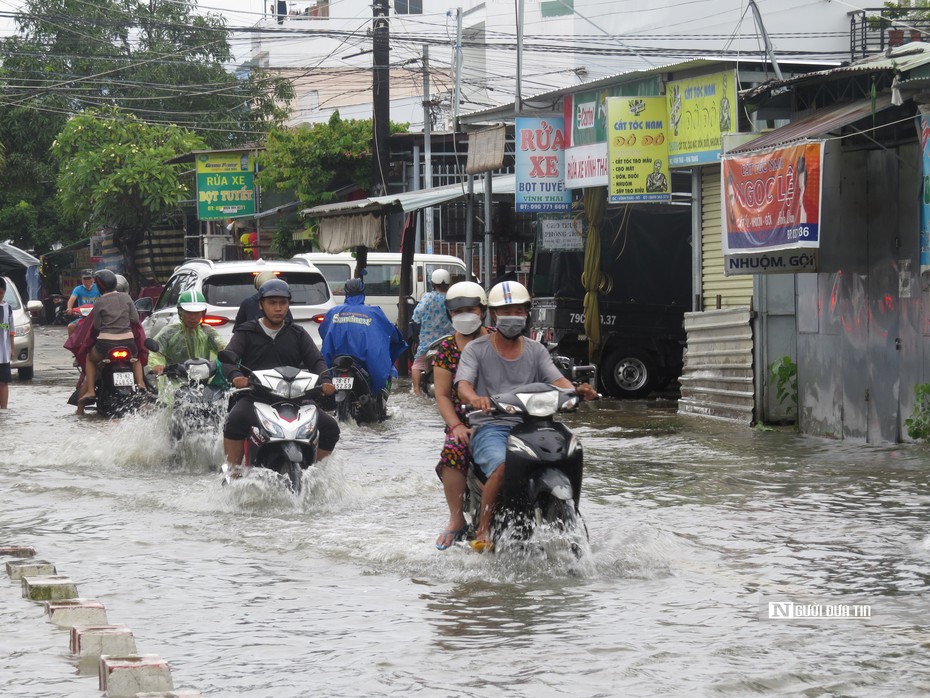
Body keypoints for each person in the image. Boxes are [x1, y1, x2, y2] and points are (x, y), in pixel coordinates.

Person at [455, 280, 598, 551]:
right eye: (506, 310)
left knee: (570, 449)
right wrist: (476, 398)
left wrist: (577, 391)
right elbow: (463, 384)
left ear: (527, 313)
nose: (513, 316)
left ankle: (571, 515)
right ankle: (484, 531)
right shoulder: (477, 349)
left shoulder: (536, 350)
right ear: (494, 314)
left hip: (535, 425)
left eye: (519, 310)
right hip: (492, 426)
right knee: (503, 464)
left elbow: (558, 381)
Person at [221, 279, 339, 469]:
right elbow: (228, 359)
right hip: (256, 397)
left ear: (288, 305)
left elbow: (316, 361)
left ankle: (317, 473)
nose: (278, 308)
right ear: (261, 305)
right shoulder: (246, 332)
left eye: (283, 303)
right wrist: (236, 376)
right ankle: (232, 473)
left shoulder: (298, 333)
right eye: (272, 303)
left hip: (297, 398)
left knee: (330, 427)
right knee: (234, 420)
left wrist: (325, 380)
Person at [432, 281, 489, 550]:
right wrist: (455, 425)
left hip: (503, 417)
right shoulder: (446, 350)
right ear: (449, 315)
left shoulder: (498, 340)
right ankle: (456, 518)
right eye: (458, 311)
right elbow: (442, 395)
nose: (465, 315)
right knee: (454, 449)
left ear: (483, 311)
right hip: (464, 422)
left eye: (471, 309)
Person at [319, 278, 407, 396]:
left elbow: (323, 331)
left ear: (346, 292)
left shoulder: (333, 312)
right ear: (363, 292)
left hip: (336, 361)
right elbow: (391, 331)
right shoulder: (374, 312)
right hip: (365, 362)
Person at [77, 269, 146, 407]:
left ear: (100, 286)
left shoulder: (99, 302)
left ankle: (91, 391)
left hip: (105, 344)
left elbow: (96, 325)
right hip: (128, 343)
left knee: (90, 359)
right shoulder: (127, 298)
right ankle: (141, 384)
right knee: (136, 358)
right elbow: (135, 318)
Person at [148, 290, 228, 394]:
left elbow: (224, 347)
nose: (193, 317)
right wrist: (157, 365)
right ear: (180, 312)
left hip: (202, 380)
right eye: (189, 312)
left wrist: (230, 356)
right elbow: (156, 352)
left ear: (202, 313)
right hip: (174, 383)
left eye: (196, 313)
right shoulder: (169, 332)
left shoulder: (208, 331)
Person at [410, 269, 455, 396]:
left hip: (428, 343)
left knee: (417, 364)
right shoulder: (452, 298)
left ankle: (417, 391)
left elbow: (416, 315)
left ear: (433, 283)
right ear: (448, 283)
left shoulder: (428, 297)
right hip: (449, 341)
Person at [66, 269, 101, 335]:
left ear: (93, 279)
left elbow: (105, 298)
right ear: (82, 280)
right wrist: (69, 308)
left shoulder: (99, 287)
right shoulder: (78, 289)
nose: (87, 281)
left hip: (97, 316)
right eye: (85, 279)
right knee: (70, 327)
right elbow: (71, 299)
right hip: (83, 317)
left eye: (89, 278)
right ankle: (72, 345)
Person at [0, 278, 15, 410]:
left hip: (3, 353)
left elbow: (11, 330)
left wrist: (12, 348)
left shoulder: (8, 308)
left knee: (4, 382)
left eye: (1, 292)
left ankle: (4, 410)